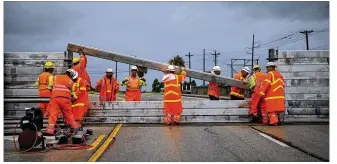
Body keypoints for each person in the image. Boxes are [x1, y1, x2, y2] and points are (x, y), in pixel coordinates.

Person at [44, 69, 81, 135]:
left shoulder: (55, 77)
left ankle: (50, 130)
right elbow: (73, 94)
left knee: (53, 114)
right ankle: (75, 127)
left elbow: (50, 88)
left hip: (55, 98)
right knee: (68, 114)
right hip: (66, 99)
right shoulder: (71, 82)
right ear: (71, 75)